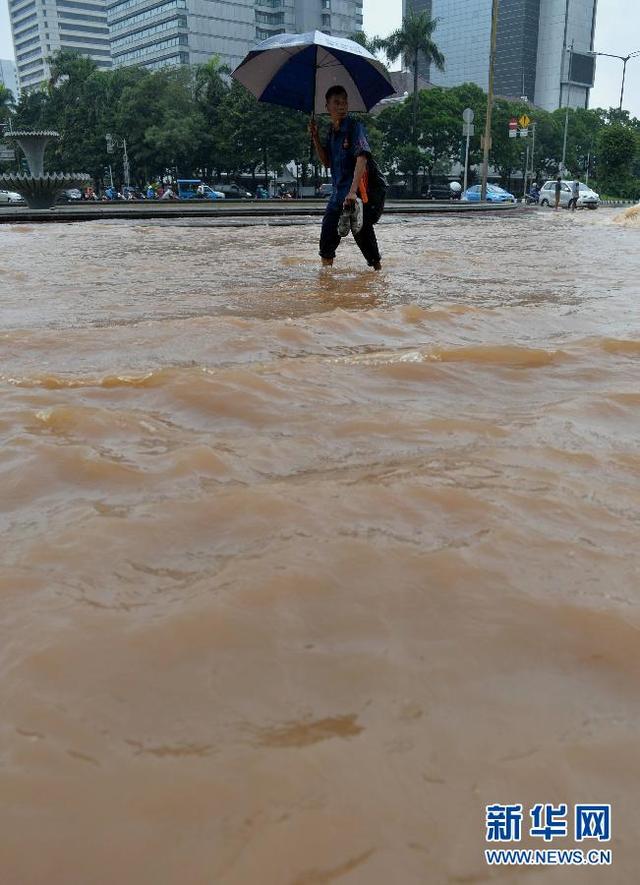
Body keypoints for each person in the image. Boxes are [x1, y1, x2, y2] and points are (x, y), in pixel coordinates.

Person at [309, 85, 382, 271]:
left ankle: (378, 278)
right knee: (326, 245)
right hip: (336, 199)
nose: (342, 106)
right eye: (336, 102)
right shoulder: (331, 133)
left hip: (355, 199)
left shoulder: (355, 127)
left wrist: (351, 191)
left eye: (344, 102)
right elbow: (327, 162)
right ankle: (327, 287)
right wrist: (315, 137)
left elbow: (362, 157)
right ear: (327, 106)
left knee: (369, 249)